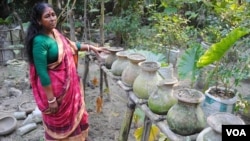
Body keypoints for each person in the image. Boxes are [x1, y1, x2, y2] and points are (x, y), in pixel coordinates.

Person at [25, 2, 108, 141]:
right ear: (39, 21)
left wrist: (92, 48)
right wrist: (51, 100)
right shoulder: (39, 41)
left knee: (75, 116)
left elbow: (72, 46)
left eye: (53, 14)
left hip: (69, 89)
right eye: (47, 16)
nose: (52, 18)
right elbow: (42, 73)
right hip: (56, 93)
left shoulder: (55, 33)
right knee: (59, 125)